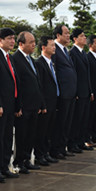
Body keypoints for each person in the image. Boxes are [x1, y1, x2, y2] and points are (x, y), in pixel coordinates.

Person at [0, 28, 21, 181]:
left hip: (11, 103)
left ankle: (5, 165)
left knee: (8, 137)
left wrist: (17, 104)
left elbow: (15, 81)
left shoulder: (10, 57)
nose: (12, 41)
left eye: (13, 38)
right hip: (1, 105)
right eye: (9, 38)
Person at [11, 31, 43, 173]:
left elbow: (37, 83)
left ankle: (26, 159)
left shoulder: (32, 60)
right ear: (21, 44)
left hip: (34, 104)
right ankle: (18, 162)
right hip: (23, 105)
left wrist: (40, 103)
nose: (33, 45)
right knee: (21, 135)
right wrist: (19, 105)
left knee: (31, 134)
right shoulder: (15, 59)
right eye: (30, 42)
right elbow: (17, 84)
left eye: (34, 42)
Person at [51, 25, 77, 159]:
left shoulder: (66, 50)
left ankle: (63, 147)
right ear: (58, 35)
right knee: (60, 123)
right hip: (62, 93)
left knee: (67, 122)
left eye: (68, 33)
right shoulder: (54, 49)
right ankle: (56, 149)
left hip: (71, 92)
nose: (68, 36)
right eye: (66, 33)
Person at [34, 36, 60, 166]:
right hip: (45, 103)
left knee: (50, 130)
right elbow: (40, 86)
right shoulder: (39, 63)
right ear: (43, 47)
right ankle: (40, 155)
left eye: (54, 45)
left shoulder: (51, 62)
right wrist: (42, 103)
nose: (54, 48)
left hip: (53, 101)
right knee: (42, 131)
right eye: (51, 45)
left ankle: (46, 153)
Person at [69, 28, 93, 152]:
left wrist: (90, 91)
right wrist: (76, 92)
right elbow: (74, 75)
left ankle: (81, 141)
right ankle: (73, 144)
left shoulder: (83, 53)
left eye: (84, 36)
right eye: (82, 36)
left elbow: (87, 74)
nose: (84, 38)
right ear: (75, 39)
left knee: (84, 119)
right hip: (78, 93)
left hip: (86, 92)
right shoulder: (72, 53)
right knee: (77, 120)